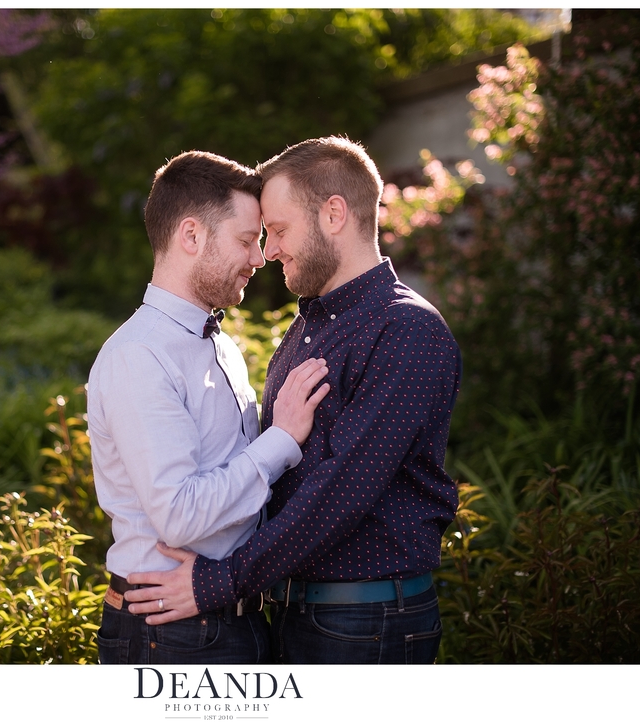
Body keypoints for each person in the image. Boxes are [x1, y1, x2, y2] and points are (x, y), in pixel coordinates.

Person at [124, 136, 462, 665]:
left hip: (362, 621)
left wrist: (221, 581)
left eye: (278, 230)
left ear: (333, 215)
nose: (270, 250)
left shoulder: (406, 330)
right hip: (293, 613)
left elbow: (342, 491)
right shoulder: (312, 323)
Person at [87, 150, 330, 665]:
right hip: (170, 633)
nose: (259, 257)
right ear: (191, 236)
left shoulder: (216, 343)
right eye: (246, 240)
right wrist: (281, 441)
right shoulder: (140, 355)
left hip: (225, 617)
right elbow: (178, 515)